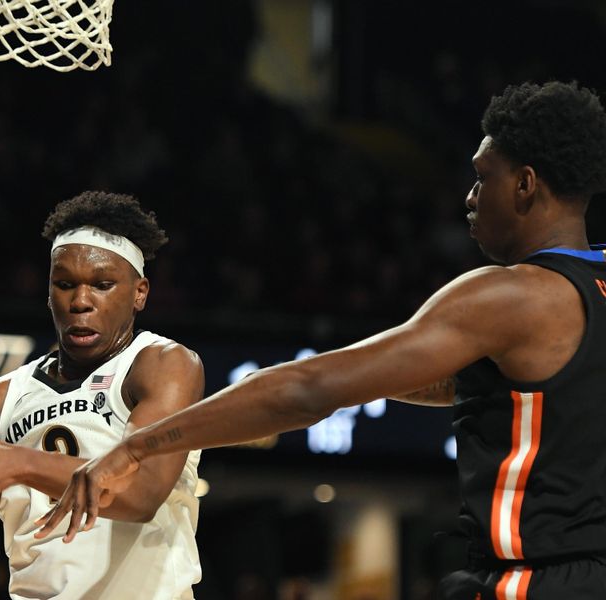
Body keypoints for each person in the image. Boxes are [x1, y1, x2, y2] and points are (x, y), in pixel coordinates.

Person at [38, 81, 606, 599]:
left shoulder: (512, 297)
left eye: (485, 177)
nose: (470, 197)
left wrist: (137, 445)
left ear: (527, 184)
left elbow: (307, 391)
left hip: (540, 578)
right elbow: (482, 387)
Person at [0, 191, 205, 600]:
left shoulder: (163, 365)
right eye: (65, 285)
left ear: (139, 292)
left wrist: (18, 463)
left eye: (102, 285)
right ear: (48, 292)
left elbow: (141, 495)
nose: (81, 302)